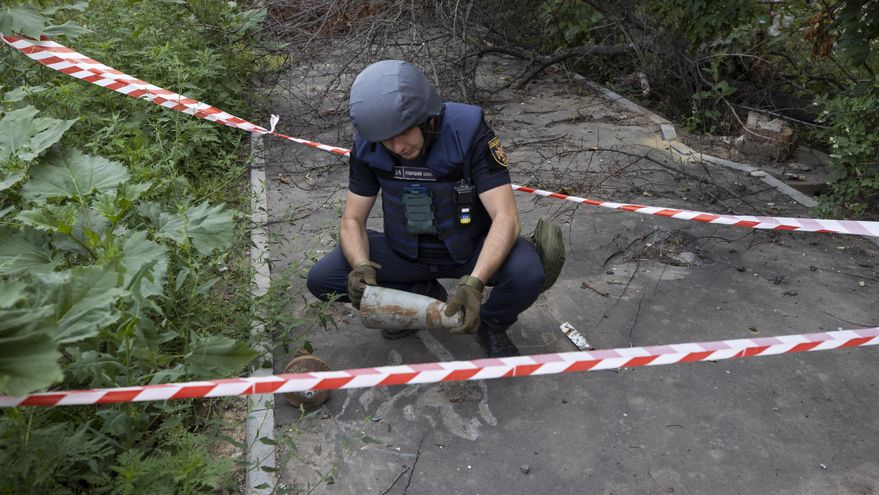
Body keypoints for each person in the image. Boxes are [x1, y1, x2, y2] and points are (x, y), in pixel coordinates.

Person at [306, 60, 544, 357]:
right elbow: (352, 220)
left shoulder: (469, 133)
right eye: (385, 140)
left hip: (469, 250)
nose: (397, 147)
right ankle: (422, 295)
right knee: (323, 279)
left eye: (403, 133)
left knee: (528, 272)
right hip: (405, 251)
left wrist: (475, 283)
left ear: (427, 118)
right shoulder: (369, 145)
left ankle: (490, 323)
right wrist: (361, 266)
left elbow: (506, 218)